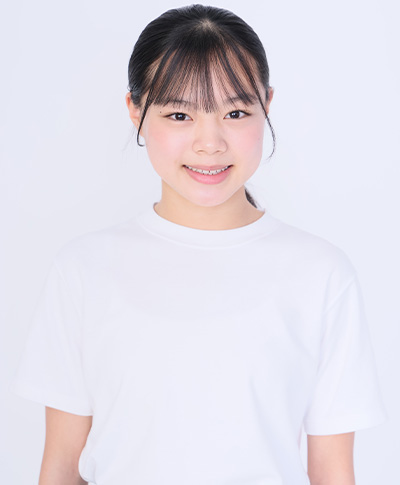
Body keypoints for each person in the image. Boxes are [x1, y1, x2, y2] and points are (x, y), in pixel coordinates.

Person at [10, 4, 387, 485]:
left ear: (267, 105)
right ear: (135, 111)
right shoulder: (83, 270)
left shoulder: (321, 274)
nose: (209, 143)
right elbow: (62, 469)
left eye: (235, 112)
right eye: (179, 114)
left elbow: (333, 473)